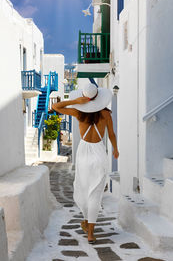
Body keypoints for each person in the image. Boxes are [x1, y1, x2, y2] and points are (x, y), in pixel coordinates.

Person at [52, 83, 119, 244]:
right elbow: (111, 134)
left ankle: (85, 219)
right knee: (95, 192)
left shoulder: (78, 112)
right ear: (98, 99)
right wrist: (115, 149)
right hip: (98, 153)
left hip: (83, 153)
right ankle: (90, 232)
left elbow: (55, 106)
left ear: (84, 97)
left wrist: (75, 101)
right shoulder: (105, 114)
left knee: (83, 188)